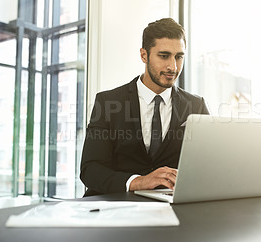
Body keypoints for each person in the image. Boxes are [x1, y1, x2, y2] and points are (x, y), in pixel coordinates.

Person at [80, 18, 209, 196]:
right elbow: (91, 170)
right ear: (144, 55)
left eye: (179, 57)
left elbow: (209, 166)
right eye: (164, 56)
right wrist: (138, 181)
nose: (173, 66)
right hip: (115, 205)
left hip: (172, 207)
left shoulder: (196, 105)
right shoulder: (108, 102)